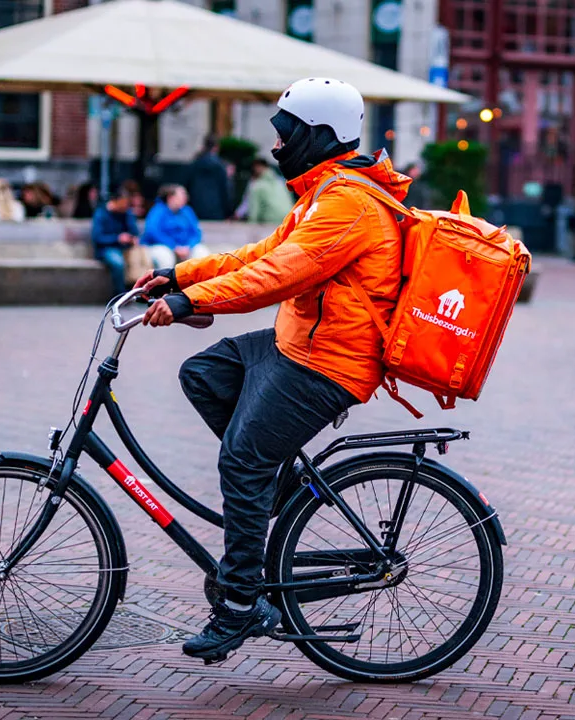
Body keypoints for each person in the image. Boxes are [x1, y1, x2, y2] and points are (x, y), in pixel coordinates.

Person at [134, 77, 408, 662]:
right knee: (204, 374)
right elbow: (261, 255)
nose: (276, 147)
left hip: (331, 361)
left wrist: (191, 304)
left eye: (284, 135)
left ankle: (238, 605)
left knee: (241, 458)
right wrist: (182, 276)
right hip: (297, 342)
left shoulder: (349, 205)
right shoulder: (323, 193)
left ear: (317, 136)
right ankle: (271, 490)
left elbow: (276, 278)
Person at [142, 184, 209, 268]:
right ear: (170, 197)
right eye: (182, 195)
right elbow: (153, 232)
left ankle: (198, 281)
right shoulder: (158, 210)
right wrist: (174, 246)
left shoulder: (187, 211)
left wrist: (188, 246)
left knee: (201, 253)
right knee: (165, 256)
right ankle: (166, 281)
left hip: (185, 247)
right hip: (162, 246)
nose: (186, 197)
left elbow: (196, 233)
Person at [91, 186, 140, 300]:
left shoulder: (126, 213)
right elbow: (97, 238)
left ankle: (139, 294)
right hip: (107, 248)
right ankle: (120, 296)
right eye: (123, 203)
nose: (125, 206)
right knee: (118, 263)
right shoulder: (101, 214)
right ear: (114, 201)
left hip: (126, 248)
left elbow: (134, 232)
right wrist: (117, 238)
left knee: (143, 259)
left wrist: (128, 218)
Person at [186, 137, 232, 221]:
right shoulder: (220, 166)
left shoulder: (195, 163)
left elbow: (187, 185)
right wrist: (228, 211)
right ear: (216, 147)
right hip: (216, 209)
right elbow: (225, 190)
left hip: (196, 208)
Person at [242, 159, 294, 225]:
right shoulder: (280, 183)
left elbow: (254, 212)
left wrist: (250, 226)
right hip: (288, 219)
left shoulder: (257, 185)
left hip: (270, 221)